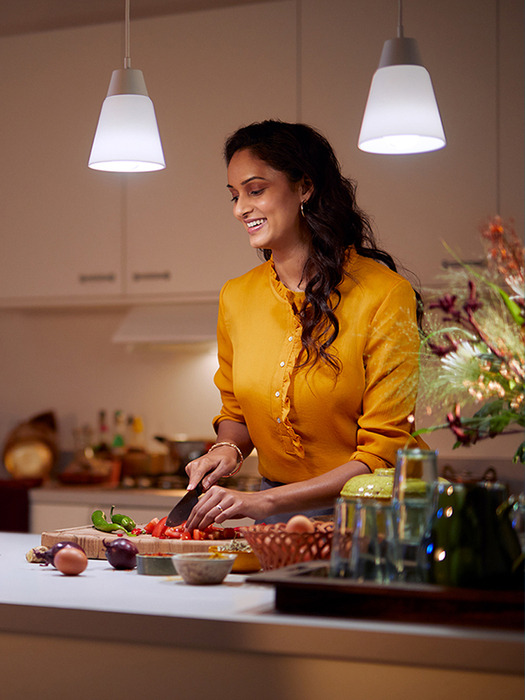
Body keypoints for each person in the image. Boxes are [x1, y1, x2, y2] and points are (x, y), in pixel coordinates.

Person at [184, 119, 426, 530]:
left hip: (371, 522)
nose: (241, 208)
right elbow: (237, 411)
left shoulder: (384, 294)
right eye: (234, 195)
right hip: (276, 520)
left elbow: (383, 455)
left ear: (304, 188)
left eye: (255, 190)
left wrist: (266, 503)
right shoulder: (237, 297)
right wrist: (226, 449)